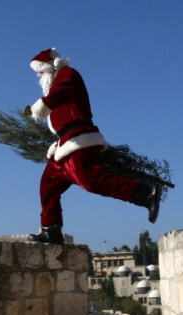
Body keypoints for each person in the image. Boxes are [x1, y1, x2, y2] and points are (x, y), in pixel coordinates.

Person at [26, 47, 161, 245]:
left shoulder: (68, 75)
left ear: (50, 66)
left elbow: (57, 95)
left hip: (79, 141)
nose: (39, 76)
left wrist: (38, 107)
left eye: (41, 71)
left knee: (91, 181)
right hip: (64, 144)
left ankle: (144, 192)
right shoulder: (55, 83)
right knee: (48, 185)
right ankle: (51, 229)